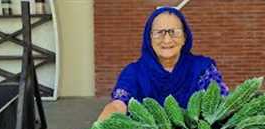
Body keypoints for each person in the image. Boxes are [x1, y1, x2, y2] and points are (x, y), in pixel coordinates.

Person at [98, 6, 229, 121]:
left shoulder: (203, 68)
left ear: (185, 37)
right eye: (159, 33)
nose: (167, 39)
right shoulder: (134, 72)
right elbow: (118, 104)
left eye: (174, 32)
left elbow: (220, 102)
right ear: (149, 38)